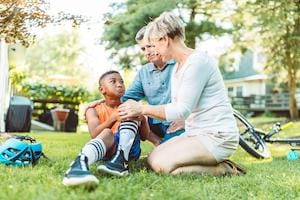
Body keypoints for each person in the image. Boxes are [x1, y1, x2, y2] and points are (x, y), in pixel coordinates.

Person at [118, 12, 246, 176]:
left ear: (164, 40)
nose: (152, 51)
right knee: (153, 157)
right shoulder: (178, 67)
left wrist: (142, 109)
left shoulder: (197, 62)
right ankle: (208, 161)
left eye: (153, 45)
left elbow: (181, 110)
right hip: (195, 133)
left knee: (162, 166)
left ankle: (224, 169)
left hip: (217, 136)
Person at [86, 26, 185, 146]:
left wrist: (187, 120)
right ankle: (159, 145)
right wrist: (103, 99)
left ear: (161, 42)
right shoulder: (144, 72)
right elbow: (126, 97)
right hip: (155, 125)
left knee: (168, 155)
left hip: (178, 121)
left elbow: (198, 97)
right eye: (143, 49)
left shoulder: (180, 64)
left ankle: (164, 147)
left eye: (150, 46)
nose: (147, 52)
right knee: (134, 114)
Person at [63, 71, 150, 187]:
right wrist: (113, 118)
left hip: (130, 150)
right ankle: (78, 165)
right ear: (102, 89)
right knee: (107, 132)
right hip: (106, 148)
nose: (119, 85)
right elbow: (94, 134)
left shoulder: (130, 105)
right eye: (113, 81)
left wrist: (143, 120)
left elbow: (144, 137)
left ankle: (121, 162)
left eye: (121, 82)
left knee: (128, 112)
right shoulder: (93, 109)